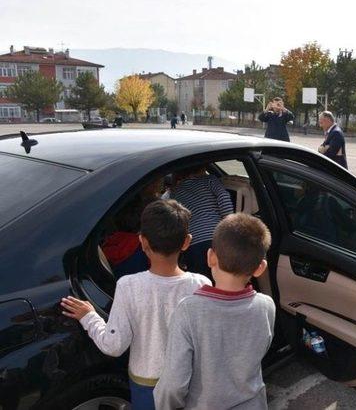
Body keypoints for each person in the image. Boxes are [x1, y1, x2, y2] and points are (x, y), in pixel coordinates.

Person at [60, 200, 211, 409]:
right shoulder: (202, 284)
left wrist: (89, 316)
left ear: (142, 241)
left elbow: (113, 346)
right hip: (188, 380)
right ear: (186, 242)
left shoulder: (129, 286)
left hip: (145, 385)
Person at [154, 213, 275, 409]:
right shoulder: (266, 305)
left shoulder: (188, 311)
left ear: (210, 257)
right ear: (260, 268)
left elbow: (173, 384)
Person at [171, 164, 234, 279]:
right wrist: (231, 226)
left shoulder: (175, 191)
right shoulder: (210, 180)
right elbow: (224, 197)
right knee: (222, 279)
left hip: (192, 244)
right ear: (203, 168)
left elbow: (176, 218)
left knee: (200, 282)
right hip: (216, 238)